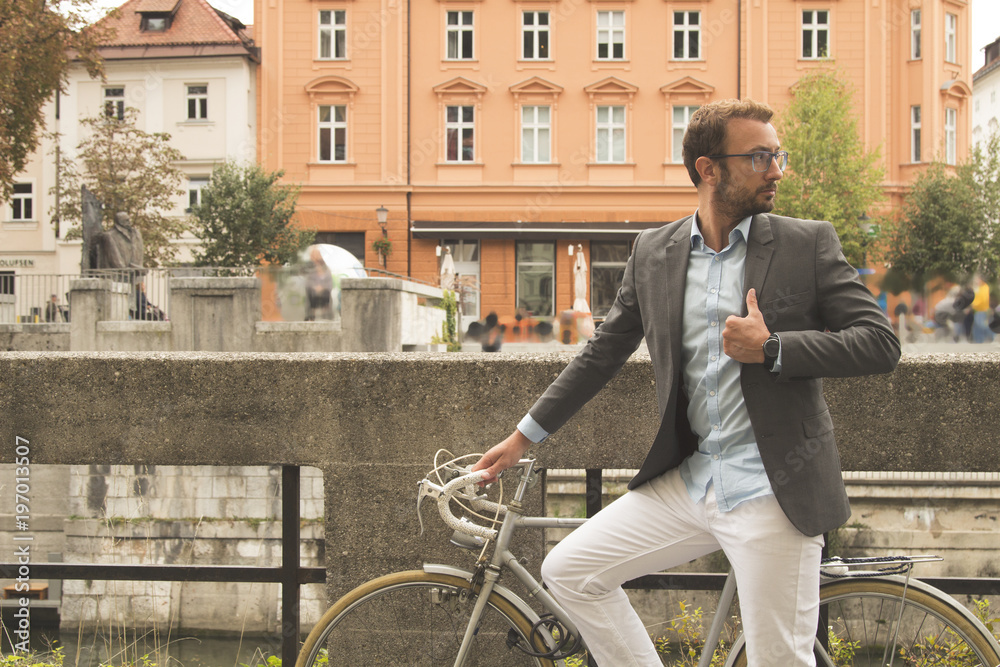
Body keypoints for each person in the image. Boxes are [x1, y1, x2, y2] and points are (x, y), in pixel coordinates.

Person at [472, 99, 900, 666]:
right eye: (759, 156)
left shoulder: (806, 244)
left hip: (773, 492)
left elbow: (880, 342)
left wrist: (773, 349)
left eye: (778, 155)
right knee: (570, 570)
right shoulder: (654, 252)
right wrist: (523, 437)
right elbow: (602, 353)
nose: (776, 169)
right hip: (689, 483)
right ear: (708, 168)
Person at [304, 247, 334, 321]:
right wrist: (315, 287)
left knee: (326, 294)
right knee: (311, 295)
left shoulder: (327, 272)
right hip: (313, 292)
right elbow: (308, 283)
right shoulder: (311, 272)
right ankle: (311, 316)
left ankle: (325, 316)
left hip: (325, 292)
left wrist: (322, 288)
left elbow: (330, 284)